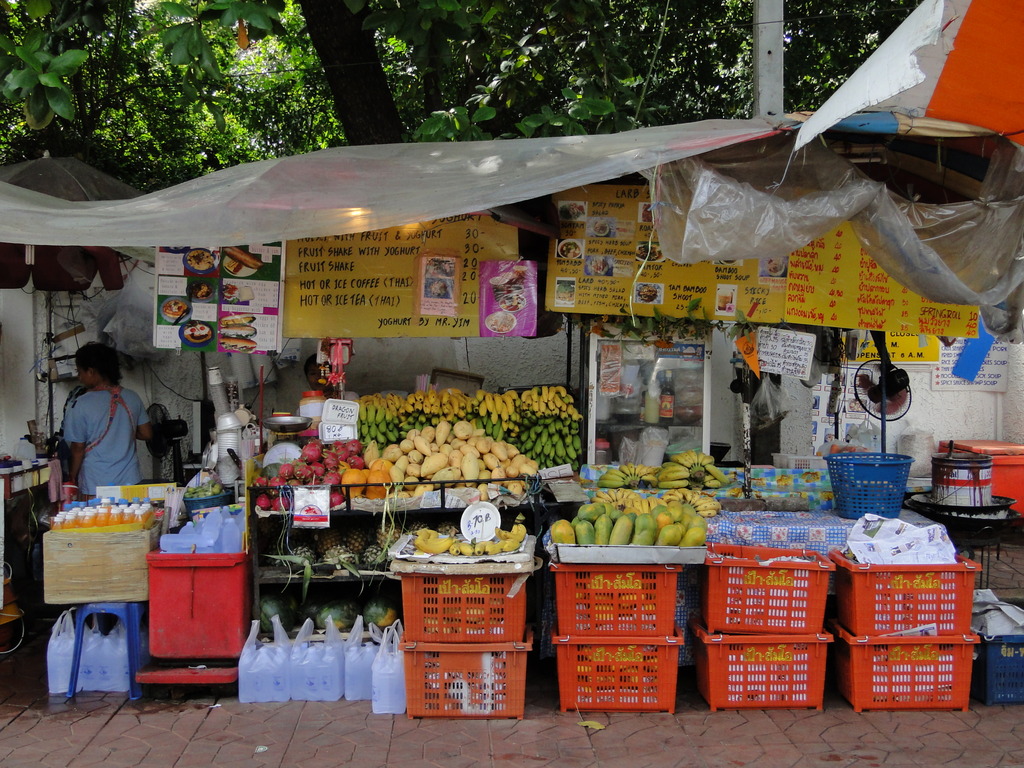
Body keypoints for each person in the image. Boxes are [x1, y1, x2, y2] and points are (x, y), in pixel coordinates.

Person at [63, 342, 153, 498]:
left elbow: (78, 448)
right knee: (130, 520)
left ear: (91, 372)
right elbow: (147, 434)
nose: (80, 377)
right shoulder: (132, 397)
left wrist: (72, 476)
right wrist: (122, 431)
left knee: (100, 521)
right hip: (130, 481)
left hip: (96, 483)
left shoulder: (80, 404)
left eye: (80, 372)